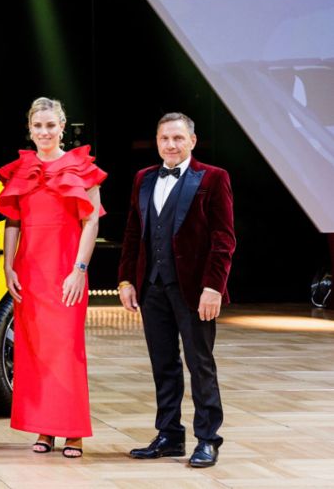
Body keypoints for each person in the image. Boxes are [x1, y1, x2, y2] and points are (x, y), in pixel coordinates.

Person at [118, 112, 235, 468]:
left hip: (194, 290)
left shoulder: (213, 178)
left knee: (200, 364)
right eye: (165, 138)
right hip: (152, 287)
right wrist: (126, 279)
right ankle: (169, 434)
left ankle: (207, 439)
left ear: (192, 141)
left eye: (178, 138)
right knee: (163, 364)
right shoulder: (144, 178)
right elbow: (134, 233)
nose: (171, 144)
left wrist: (214, 286)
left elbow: (224, 238)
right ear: (157, 142)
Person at [0, 97, 105, 459]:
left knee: (66, 352)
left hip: (66, 272)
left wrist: (79, 269)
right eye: (38, 126)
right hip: (29, 272)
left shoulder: (82, 169)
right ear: (30, 128)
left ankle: (72, 432)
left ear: (62, 127)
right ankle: (45, 428)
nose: (44, 132)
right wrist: (8, 266)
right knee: (34, 352)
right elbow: (13, 222)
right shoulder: (20, 170)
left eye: (50, 126)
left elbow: (91, 222)